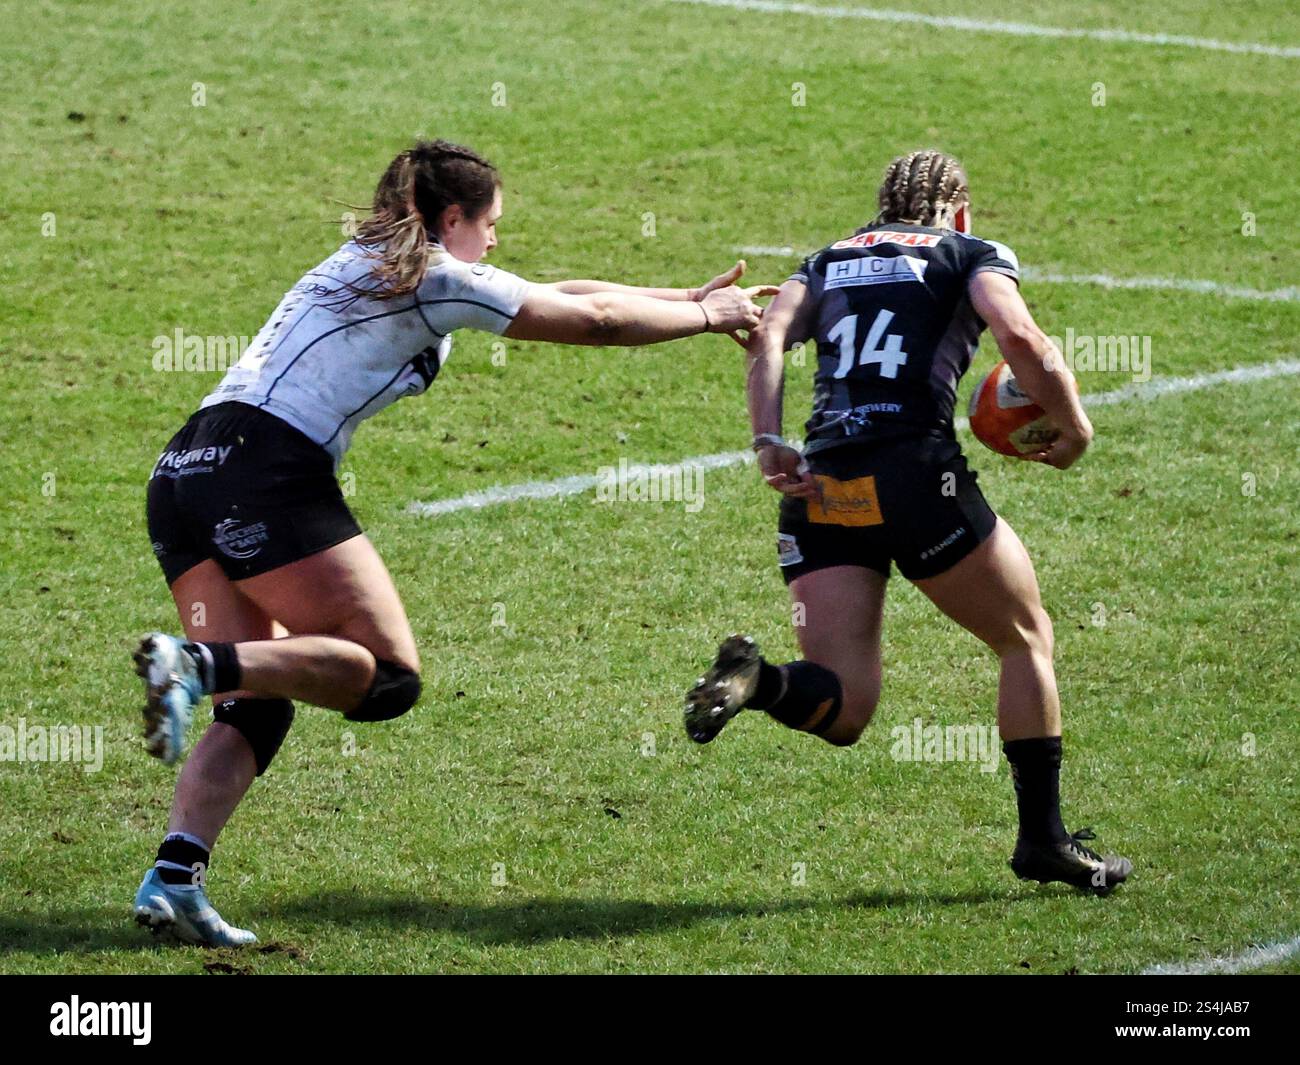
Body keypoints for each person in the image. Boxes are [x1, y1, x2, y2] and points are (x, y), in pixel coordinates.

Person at [133, 138, 773, 945]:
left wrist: (683, 295)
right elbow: (594, 320)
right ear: (450, 218)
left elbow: (553, 291)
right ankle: (191, 666)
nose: (497, 240)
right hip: (267, 470)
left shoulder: (376, 255)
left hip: (184, 469)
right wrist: (709, 318)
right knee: (390, 677)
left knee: (255, 707)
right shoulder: (432, 274)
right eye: (491, 223)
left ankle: (174, 878)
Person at [683, 149, 1131, 895]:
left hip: (822, 484)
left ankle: (759, 682)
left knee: (845, 702)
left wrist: (768, 440)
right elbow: (1022, 339)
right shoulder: (969, 251)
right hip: (917, 476)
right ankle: (1044, 840)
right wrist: (1075, 427)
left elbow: (767, 337)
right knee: (1024, 636)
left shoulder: (825, 260)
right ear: (957, 211)